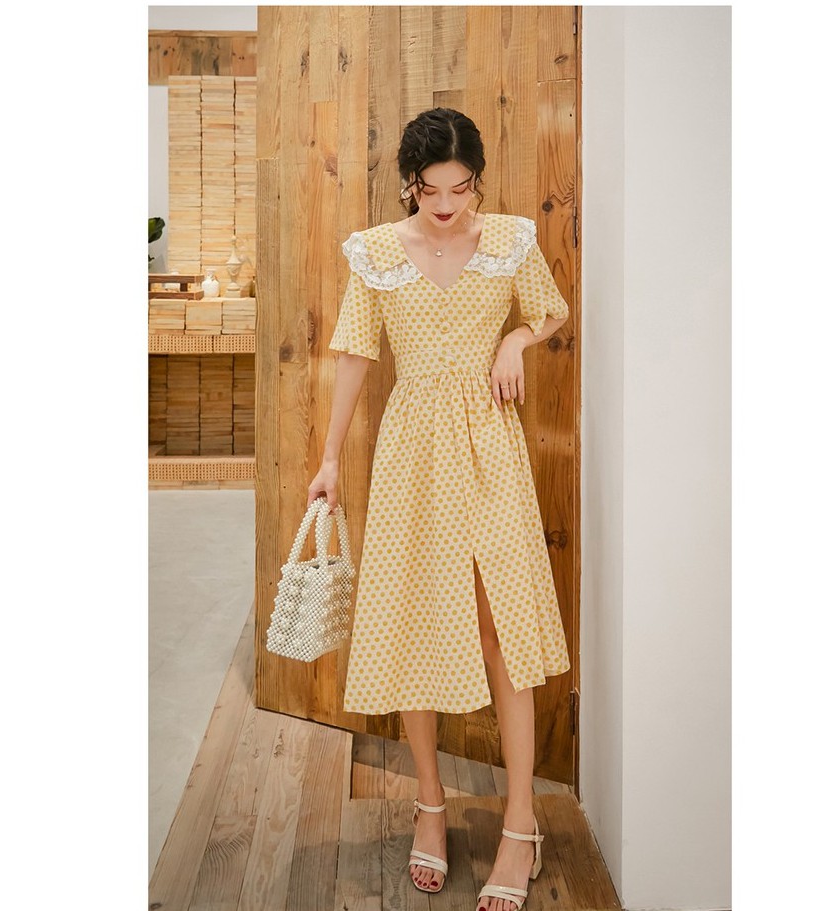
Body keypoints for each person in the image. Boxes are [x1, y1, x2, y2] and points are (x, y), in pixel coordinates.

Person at [307, 107, 571, 911]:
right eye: (431, 191)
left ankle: (519, 823)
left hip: (489, 445)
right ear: (408, 185)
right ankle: (428, 803)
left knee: (501, 629)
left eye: (461, 188)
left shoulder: (510, 240)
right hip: (411, 450)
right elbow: (355, 355)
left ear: (476, 181)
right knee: (417, 623)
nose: (448, 205)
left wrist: (513, 341)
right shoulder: (377, 253)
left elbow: (551, 310)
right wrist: (328, 458)